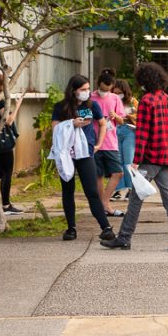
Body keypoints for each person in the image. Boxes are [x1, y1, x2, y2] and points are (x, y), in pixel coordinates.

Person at [101, 63, 168, 251]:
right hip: (167, 156)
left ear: (144, 80)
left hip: (151, 157)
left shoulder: (147, 101)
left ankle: (124, 237)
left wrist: (135, 160)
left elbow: (143, 133)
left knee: (136, 198)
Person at [51, 74, 115, 242]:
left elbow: (102, 124)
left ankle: (106, 227)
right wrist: (71, 123)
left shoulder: (92, 105)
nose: (87, 92)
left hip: (86, 152)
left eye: (88, 89)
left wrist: (99, 143)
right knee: (68, 190)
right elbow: (55, 129)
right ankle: (71, 228)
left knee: (92, 191)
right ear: (73, 91)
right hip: (67, 154)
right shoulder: (61, 107)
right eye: (83, 89)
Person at [91, 69, 125, 218]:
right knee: (97, 175)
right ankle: (104, 207)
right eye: (104, 89)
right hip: (94, 141)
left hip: (111, 142)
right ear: (99, 85)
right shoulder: (90, 97)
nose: (106, 92)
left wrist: (115, 116)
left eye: (109, 89)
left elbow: (122, 120)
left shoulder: (115, 98)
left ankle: (104, 203)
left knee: (118, 172)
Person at [0, 74, 24, 215]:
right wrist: (18, 106)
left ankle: (5, 204)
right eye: (5, 85)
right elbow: (8, 121)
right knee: (6, 173)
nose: (7, 89)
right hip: (4, 144)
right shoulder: (1, 102)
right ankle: (6, 205)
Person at [111, 79, 137, 202]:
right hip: (115, 131)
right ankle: (119, 188)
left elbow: (138, 117)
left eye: (119, 92)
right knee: (118, 161)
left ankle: (131, 188)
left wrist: (125, 116)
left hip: (129, 131)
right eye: (114, 92)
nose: (117, 95)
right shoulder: (111, 102)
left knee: (128, 161)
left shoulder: (133, 102)